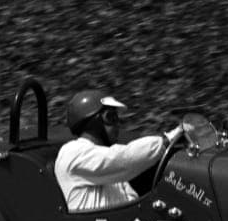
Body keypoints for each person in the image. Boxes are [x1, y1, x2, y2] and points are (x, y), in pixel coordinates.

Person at [54, 89, 184, 212]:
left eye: (117, 118)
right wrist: (168, 139)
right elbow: (124, 158)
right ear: (92, 122)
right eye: (110, 117)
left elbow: (130, 202)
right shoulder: (72, 153)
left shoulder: (109, 167)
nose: (117, 124)